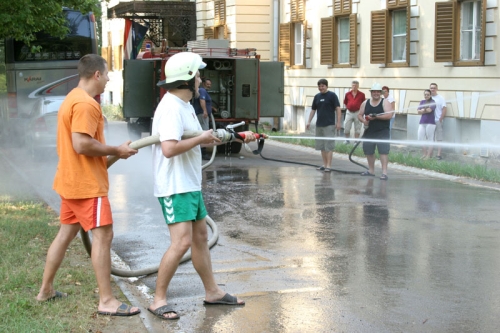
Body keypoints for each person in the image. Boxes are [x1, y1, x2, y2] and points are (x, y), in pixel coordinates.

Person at [149, 52, 254, 320]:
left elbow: (199, 138)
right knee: (182, 242)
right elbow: (169, 149)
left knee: (200, 238)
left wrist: (233, 137)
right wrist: (201, 139)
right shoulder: (171, 107)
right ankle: (158, 299)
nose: (200, 79)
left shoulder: (184, 105)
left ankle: (213, 292)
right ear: (186, 78)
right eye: (197, 74)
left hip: (189, 183)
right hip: (175, 186)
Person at [36, 54, 140, 317]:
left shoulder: (72, 97)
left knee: (65, 235)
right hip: (86, 186)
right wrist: (116, 149)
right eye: (106, 75)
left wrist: (115, 151)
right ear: (96, 74)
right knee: (103, 236)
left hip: (70, 181)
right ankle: (106, 301)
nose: (107, 80)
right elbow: (81, 144)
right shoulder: (86, 104)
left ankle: (45, 290)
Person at [358, 83, 393, 180]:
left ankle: (384, 173)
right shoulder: (365, 103)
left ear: (381, 93)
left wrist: (376, 116)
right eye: (374, 92)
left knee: (383, 151)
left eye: (378, 92)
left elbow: (389, 116)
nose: (376, 93)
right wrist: (364, 121)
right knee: (369, 151)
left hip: (382, 131)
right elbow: (360, 115)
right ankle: (371, 170)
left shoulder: (385, 102)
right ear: (371, 92)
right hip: (369, 131)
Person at [306, 79, 342, 172]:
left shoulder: (332, 95)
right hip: (319, 125)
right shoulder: (317, 97)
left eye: (322, 86)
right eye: (319, 86)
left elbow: (338, 109)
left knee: (328, 146)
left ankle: (329, 166)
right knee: (321, 146)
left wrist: (338, 122)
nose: (321, 88)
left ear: (326, 86)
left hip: (329, 124)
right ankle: (324, 164)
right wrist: (309, 121)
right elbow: (313, 110)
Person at [193, 78, 214, 160]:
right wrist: (205, 111)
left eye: (210, 84)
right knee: (204, 133)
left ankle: (201, 152)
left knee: (203, 132)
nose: (209, 85)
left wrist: (212, 108)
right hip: (202, 115)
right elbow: (202, 100)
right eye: (207, 84)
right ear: (203, 84)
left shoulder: (204, 91)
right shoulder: (202, 90)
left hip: (203, 114)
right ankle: (203, 153)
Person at [429, 83, 447, 159]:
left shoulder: (440, 98)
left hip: (437, 120)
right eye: (431, 88)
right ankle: (430, 154)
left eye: (434, 88)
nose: (432, 89)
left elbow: (444, 108)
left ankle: (438, 155)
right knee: (430, 138)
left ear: (437, 89)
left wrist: (440, 119)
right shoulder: (428, 98)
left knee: (439, 138)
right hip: (430, 121)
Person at [417, 89, 436, 159]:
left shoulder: (433, 102)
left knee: (430, 139)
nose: (426, 96)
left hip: (430, 122)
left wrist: (423, 110)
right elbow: (418, 112)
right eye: (425, 95)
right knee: (420, 138)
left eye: (428, 95)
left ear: (430, 95)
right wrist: (424, 110)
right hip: (422, 122)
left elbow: (429, 110)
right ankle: (425, 153)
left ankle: (428, 155)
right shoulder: (422, 102)